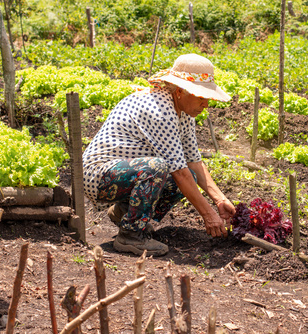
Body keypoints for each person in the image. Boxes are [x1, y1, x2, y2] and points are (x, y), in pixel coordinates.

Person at [83, 54, 236, 256]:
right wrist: (209, 215)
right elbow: (179, 172)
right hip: (98, 175)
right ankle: (131, 235)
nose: (206, 104)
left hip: (123, 173)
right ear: (181, 91)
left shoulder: (182, 111)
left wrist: (220, 200)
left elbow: (193, 162)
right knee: (158, 168)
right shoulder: (158, 111)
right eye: (201, 97)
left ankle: (124, 213)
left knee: (189, 175)